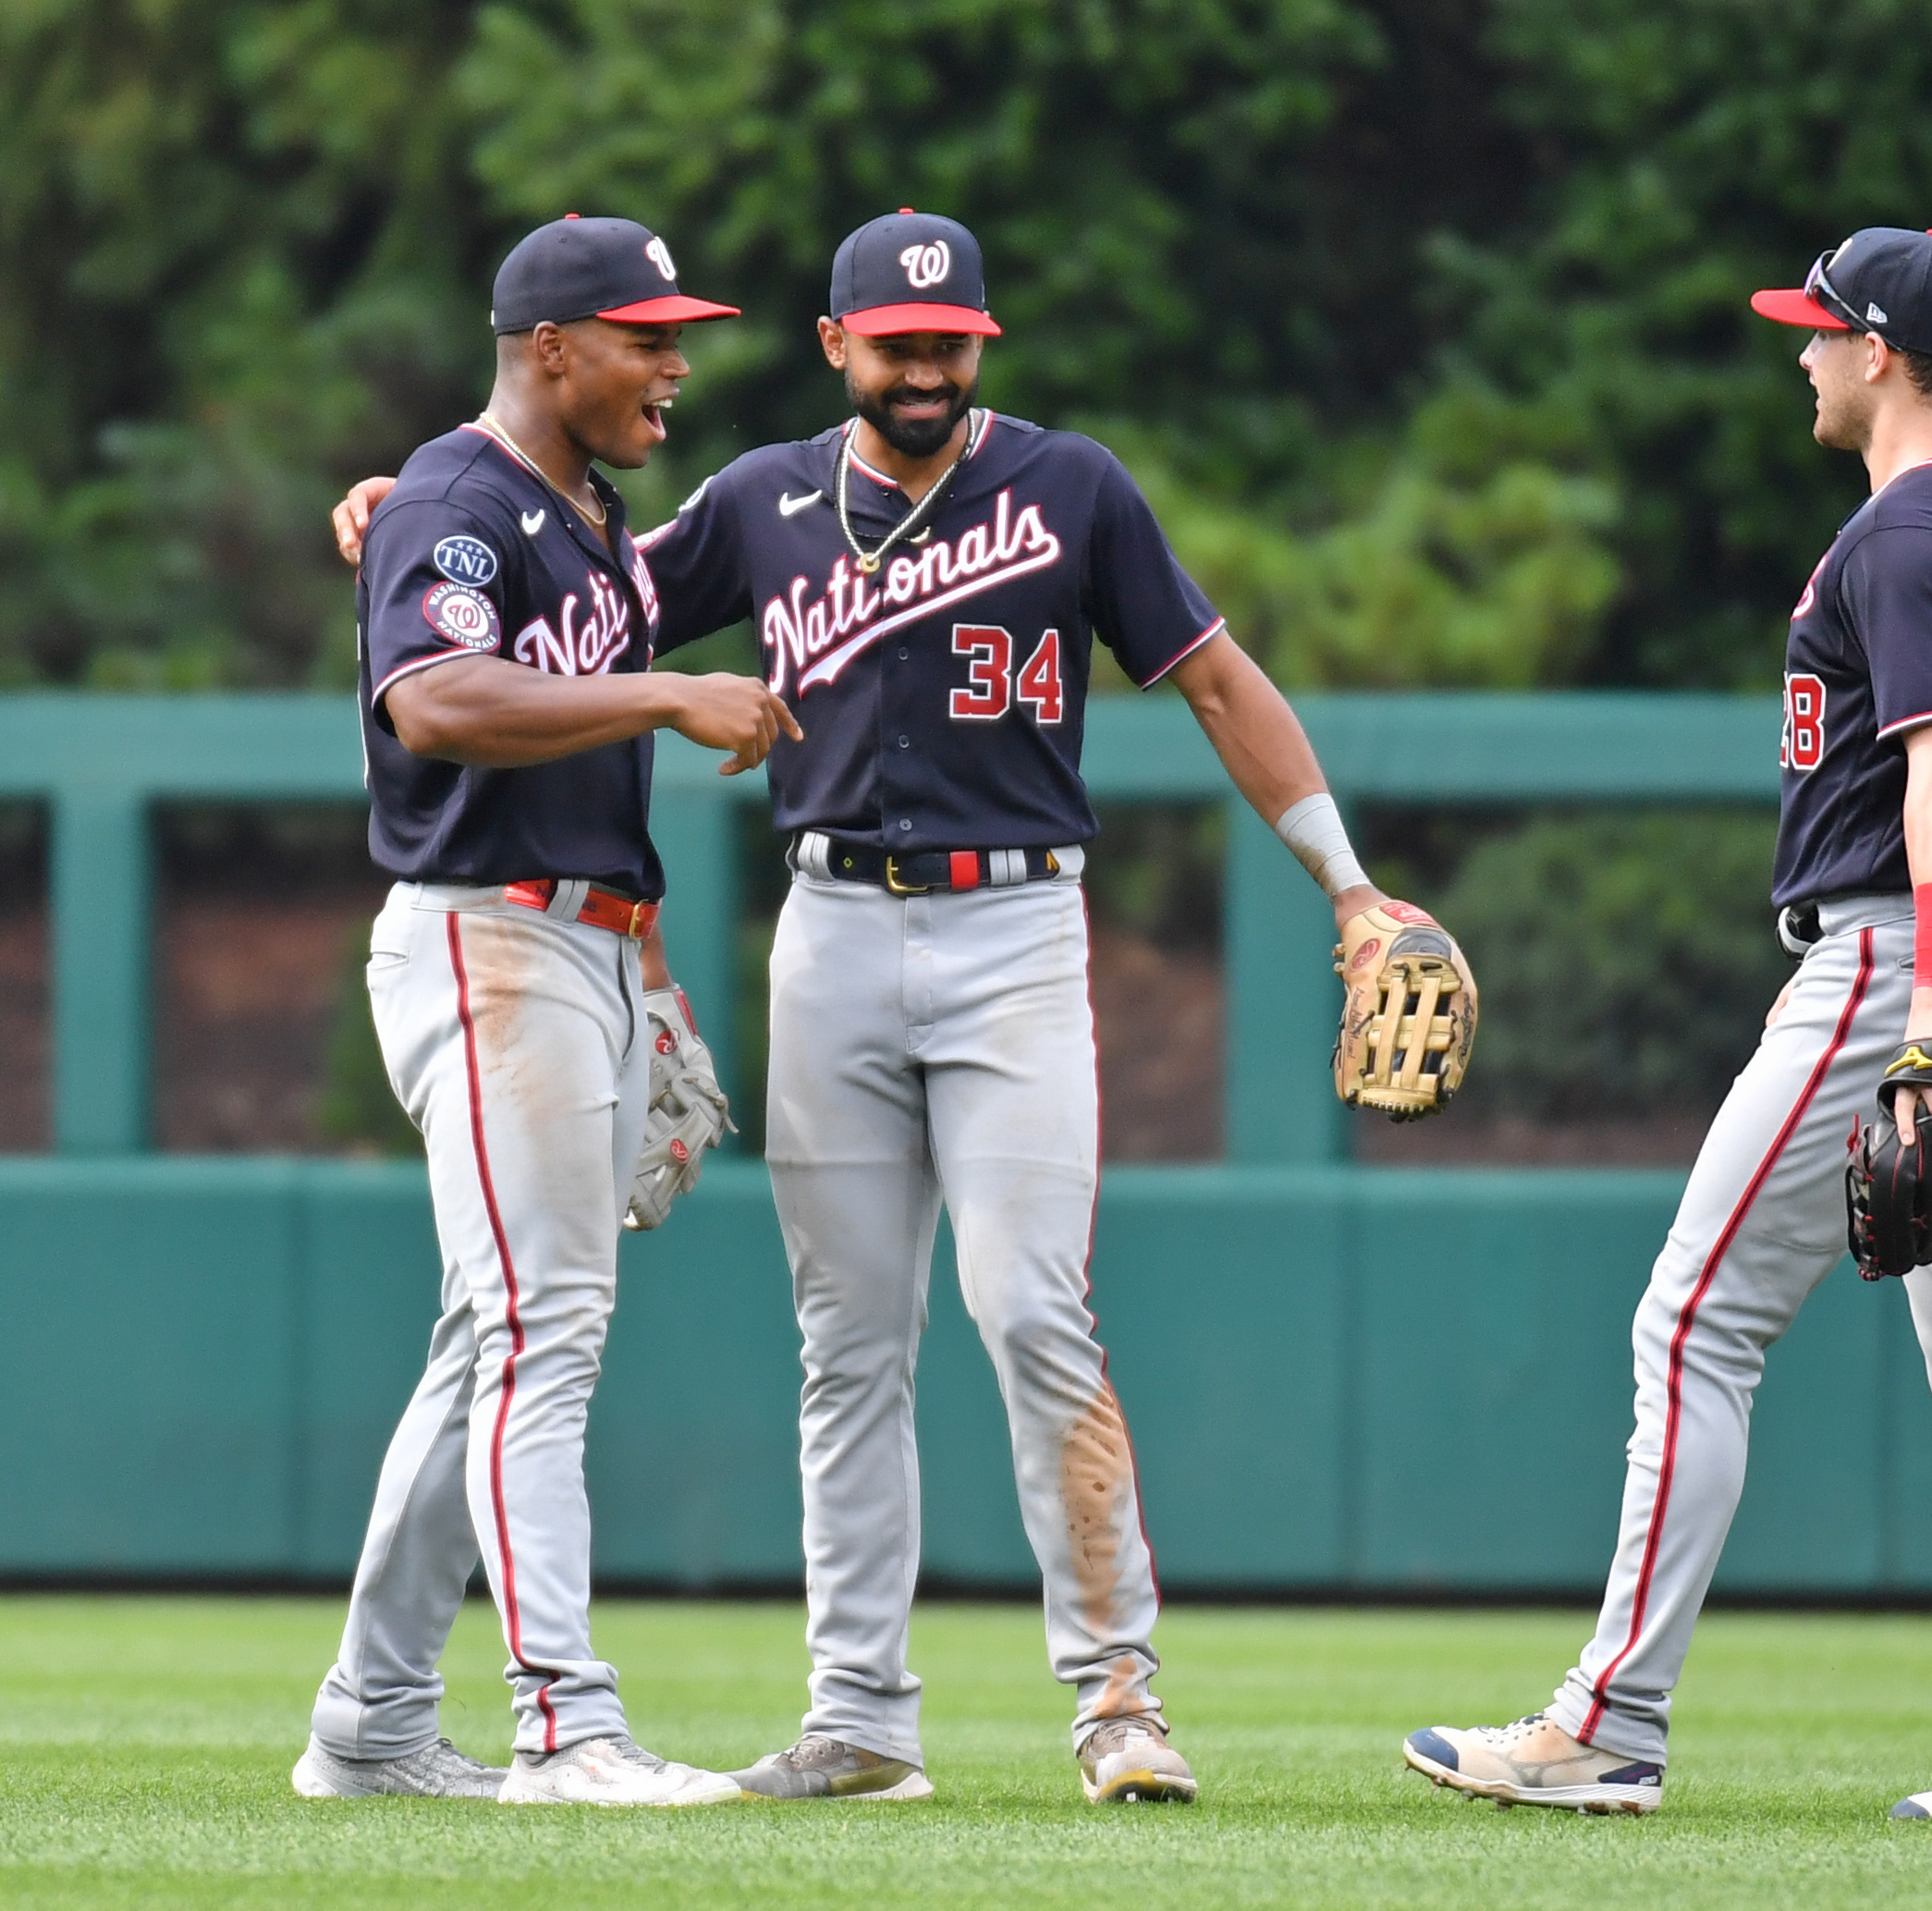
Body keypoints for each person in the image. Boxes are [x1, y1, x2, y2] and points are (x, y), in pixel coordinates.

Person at [334, 209, 1425, 1806]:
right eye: (895, 343)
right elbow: (547, 609)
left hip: (1019, 930)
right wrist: (405, 506)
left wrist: (1348, 884)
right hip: (831, 931)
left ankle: (1117, 1696)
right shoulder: (759, 500)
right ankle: (859, 1719)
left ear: (982, 345)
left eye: (952, 342)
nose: (925, 367)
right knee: (845, 1345)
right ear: (838, 347)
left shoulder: (1071, 488)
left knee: (1033, 1311)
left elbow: (1214, 677)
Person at [1402, 227, 1932, 1823]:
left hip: (1906, 959)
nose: (1798, 355)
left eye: (1818, 333)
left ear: (1881, 353)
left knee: (1690, 1326)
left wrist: (1931, 1005)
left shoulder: (1903, 526)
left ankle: (1606, 1725)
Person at [291, 214, 797, 1809]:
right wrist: (668, 688)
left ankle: (370, 1722)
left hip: (579, 944)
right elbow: (434, 702)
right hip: (483, 947)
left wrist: (644, 969)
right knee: (539, 1335)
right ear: (552, 347)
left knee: (487, 1345)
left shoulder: (577, 510)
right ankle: (566, 1727)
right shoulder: (455, 497)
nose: (676, 363)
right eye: (645, 336)